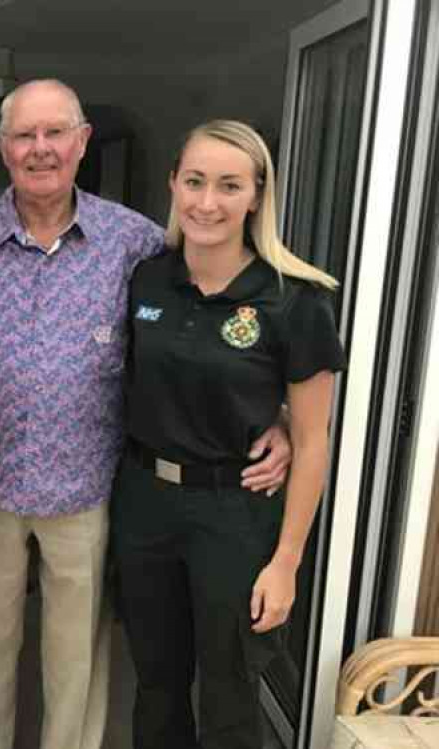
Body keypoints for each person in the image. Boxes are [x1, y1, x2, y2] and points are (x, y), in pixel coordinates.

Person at [0, 80, 291, 749]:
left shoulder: (138, 243)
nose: (41, 149)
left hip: (89, 489)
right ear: (3, 147)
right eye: (25, 135)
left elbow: (206, 324)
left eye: (55, 132)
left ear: (82, 140)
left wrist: (279, 413)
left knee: (77, 665)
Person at [112, 119, 346, 749]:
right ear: (173, 185)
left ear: (257, 196)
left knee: (230, 692)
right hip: (144, 506)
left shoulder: (296, 301)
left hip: (235, 513)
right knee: (156, 685)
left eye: (228, 185)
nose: (207, 202)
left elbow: (316, 437)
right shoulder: (145, 280)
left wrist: (287, 563)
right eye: (194, 181)